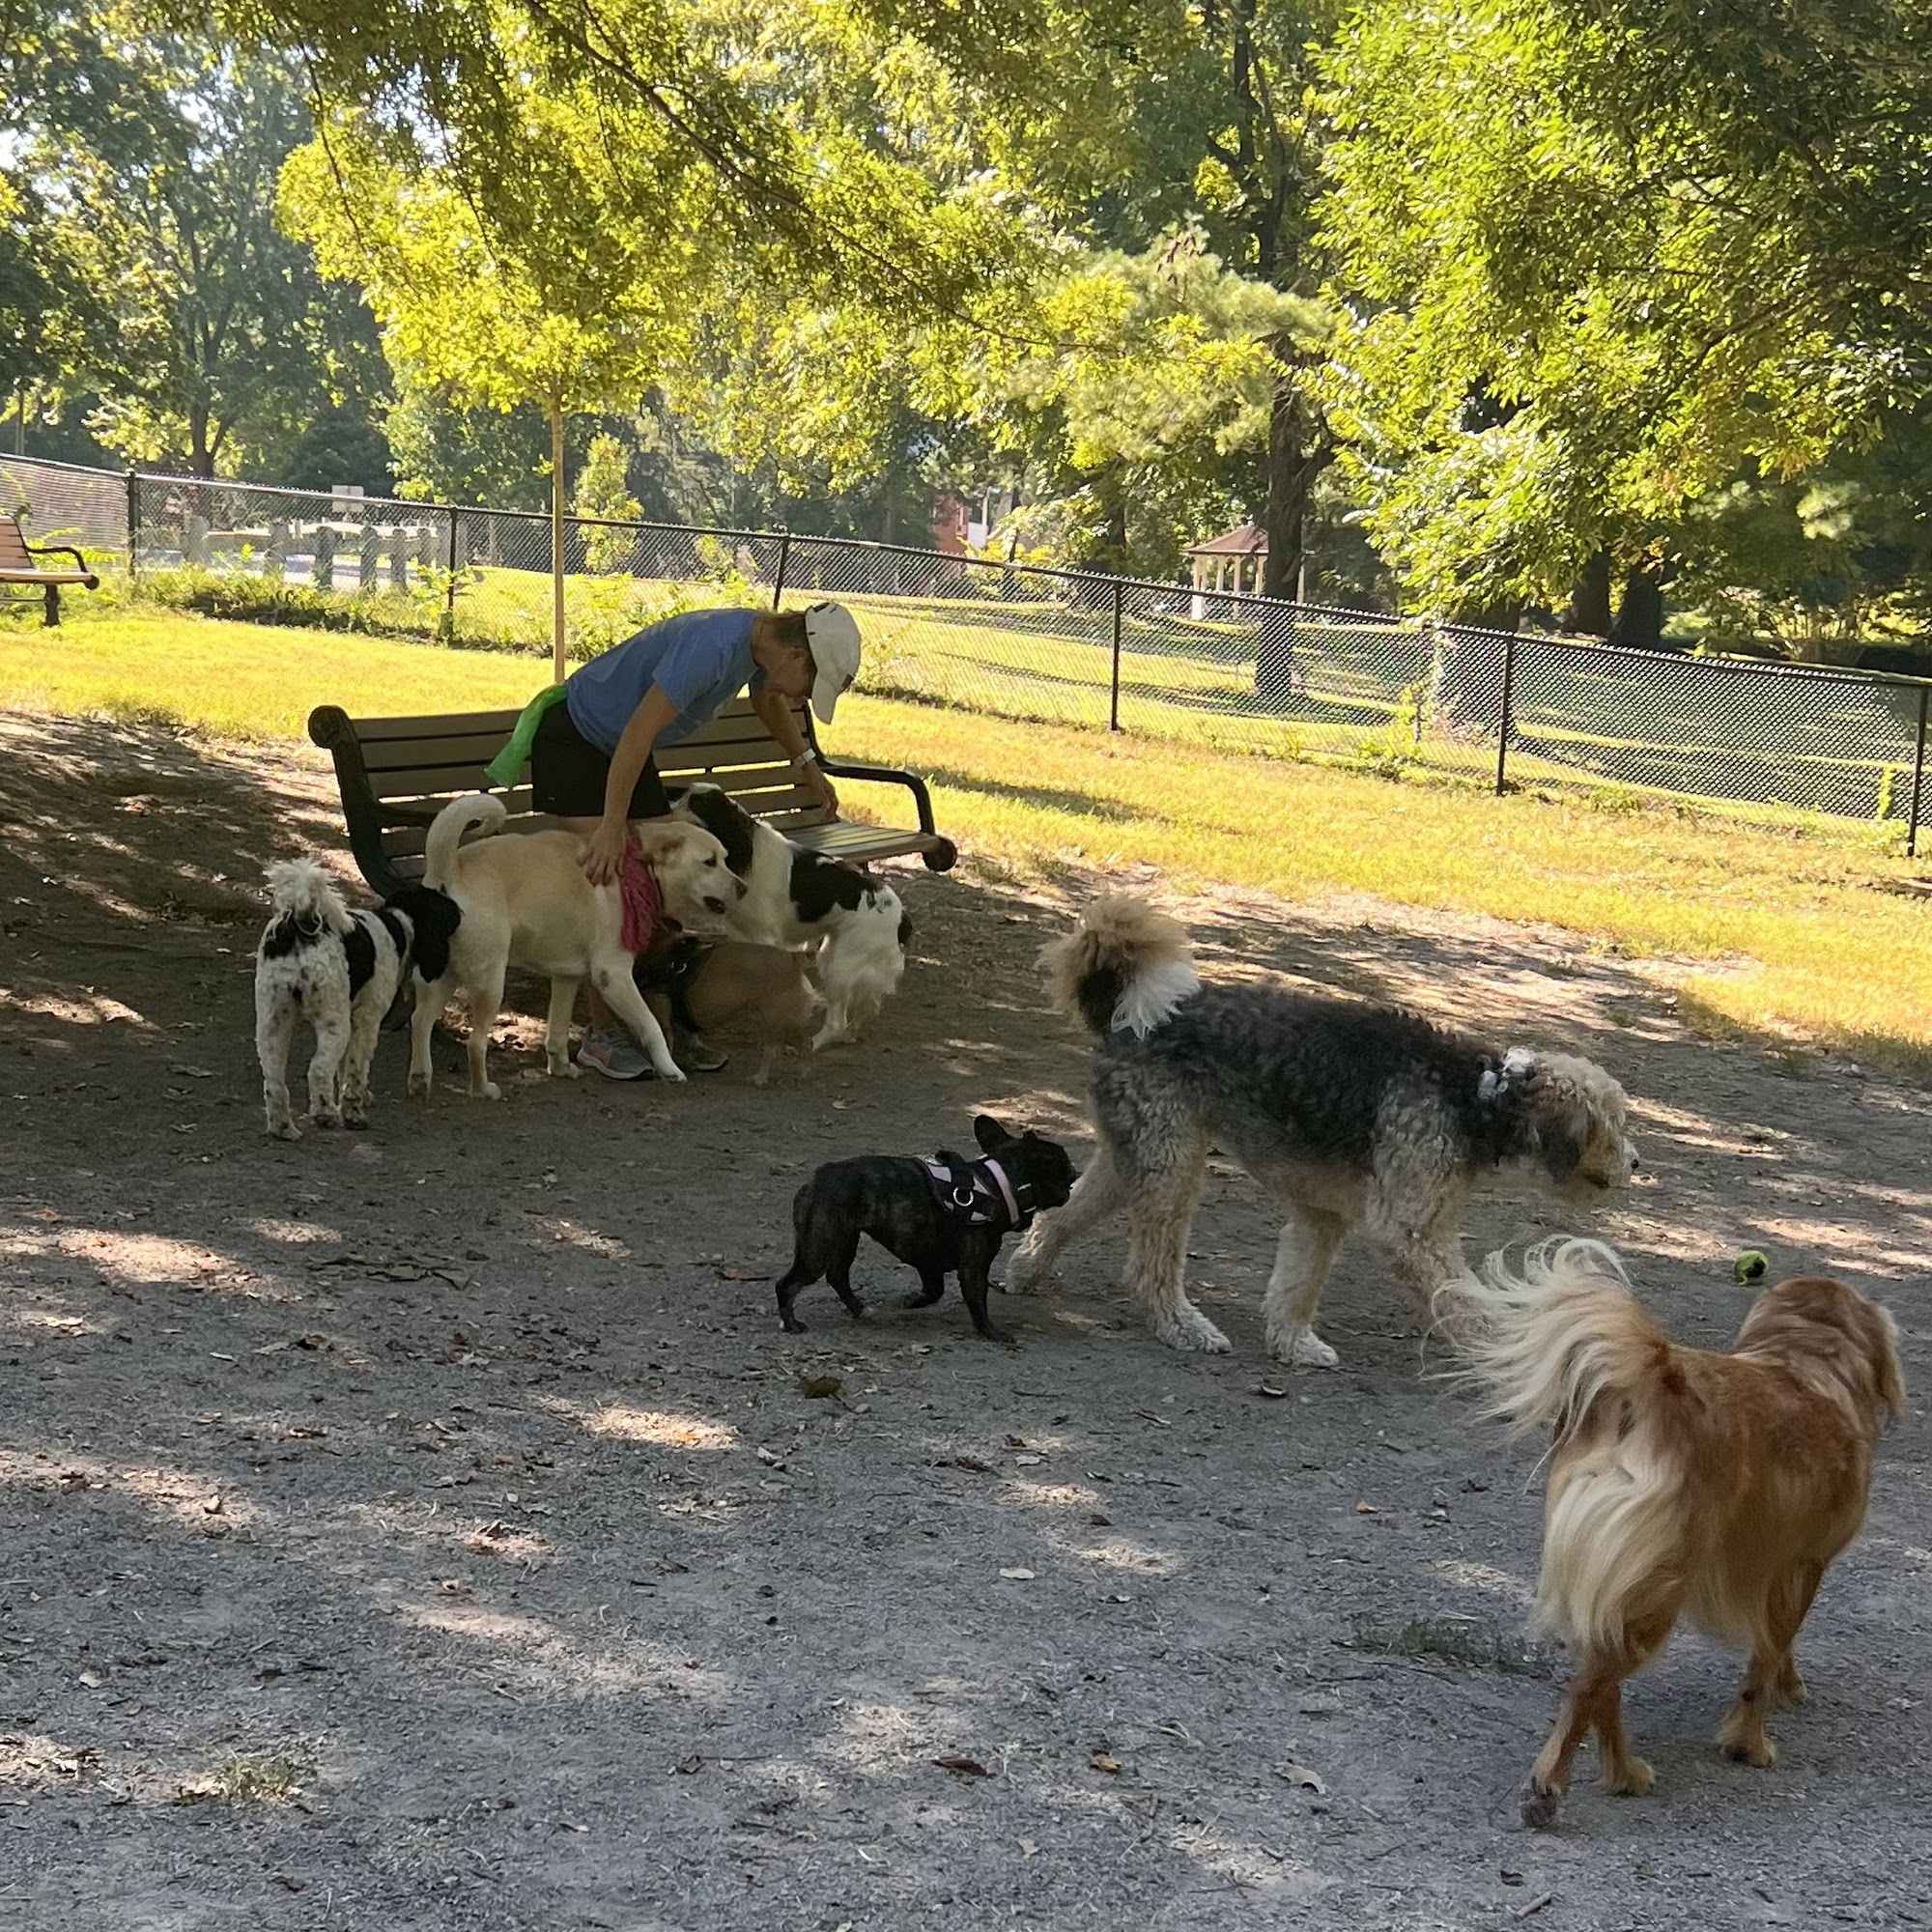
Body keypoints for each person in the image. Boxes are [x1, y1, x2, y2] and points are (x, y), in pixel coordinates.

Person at [496, 601, 862, 1078]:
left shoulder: (760, 649)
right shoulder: (712, 648)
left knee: (664, 884)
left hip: (623, 744)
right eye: (811, 687)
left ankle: (657, 1021)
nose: (805, 696)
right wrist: (611, 826)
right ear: (797, 656)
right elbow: (638, 730)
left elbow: (767, 700)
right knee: (613, 880)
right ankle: (602, 1035)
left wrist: (807, 766)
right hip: (579, 737)